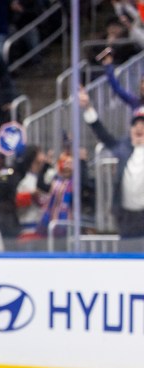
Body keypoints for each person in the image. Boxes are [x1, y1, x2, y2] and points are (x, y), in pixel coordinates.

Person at [81, 88, 144, 249]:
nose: (139, 128)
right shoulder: (123, 149)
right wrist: (88, 108)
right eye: (135, 125)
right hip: (127, 216)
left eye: (143, 125)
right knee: (127, 254)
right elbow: (104, 135)